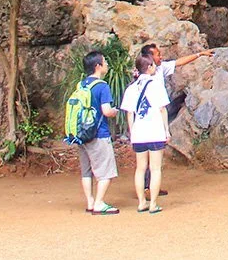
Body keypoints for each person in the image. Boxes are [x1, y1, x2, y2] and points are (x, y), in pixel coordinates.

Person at [137, 42, 213, 199]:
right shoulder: (139, 78)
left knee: (151, 157)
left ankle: (150, 187)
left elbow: (179, 62)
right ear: (149, 58)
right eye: (158, 54)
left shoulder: (160, 69)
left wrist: (200, 54)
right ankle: (147, 188)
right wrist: (165, 129)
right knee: (148, 157)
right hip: (150, 119)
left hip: (148, 121)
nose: (161, 56)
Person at [121, 52, 170, 214]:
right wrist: (166, 130)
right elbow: (163, 109)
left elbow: (129, 114)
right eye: (153, 65)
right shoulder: (156, 85)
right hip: (155, 131)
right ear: (148, 68)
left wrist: (132, 132)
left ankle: (142, 202)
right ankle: (153, 203)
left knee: (140, 168)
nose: (155, 67)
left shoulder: (131, 88)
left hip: (139, 133)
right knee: (155, 168)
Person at [77, 50, 122, 215]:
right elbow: (106, 110)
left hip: (82, 134)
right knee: (105, 171)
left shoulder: (82, 84)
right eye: (105, 62)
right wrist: (115, 111)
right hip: (98, 134)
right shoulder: (102, 86)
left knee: (86, 170)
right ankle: (99, 203)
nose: (107, 65)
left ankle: (90, 201)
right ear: (98, 66)